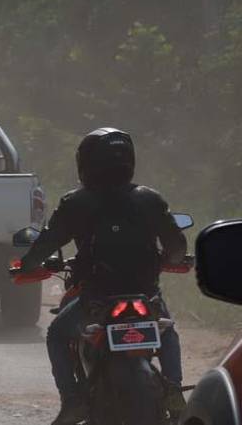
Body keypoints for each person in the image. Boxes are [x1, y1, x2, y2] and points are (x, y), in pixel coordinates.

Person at [17, 128, 187, 425]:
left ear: (86, 162)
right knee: (168, 333)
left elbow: (47, 242)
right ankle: (174, 391)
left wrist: (28, 265)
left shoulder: (76, 202)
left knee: (57, 336)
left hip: (96, 298)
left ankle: (73, 402)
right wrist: (171, 260)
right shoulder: (150, 198)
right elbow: (176, 245)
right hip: (146, 295)